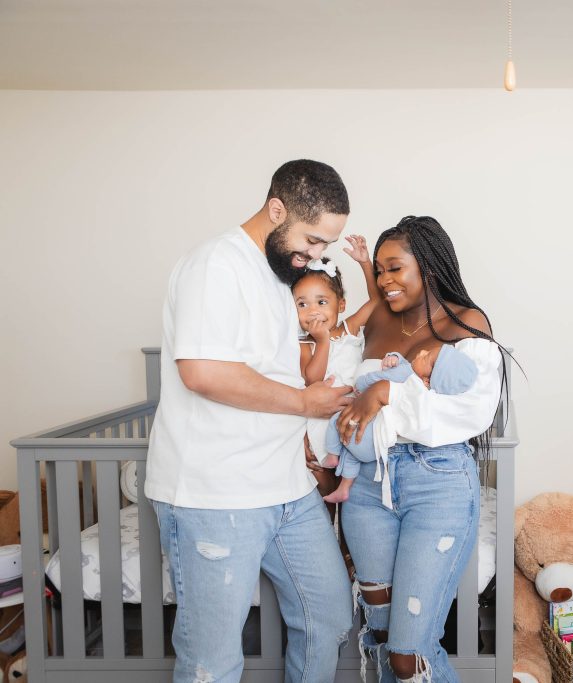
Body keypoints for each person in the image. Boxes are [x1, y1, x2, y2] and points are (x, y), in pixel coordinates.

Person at [146, 159, 356, 683]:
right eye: (311, 240)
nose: (315, 256)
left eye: (325, 247)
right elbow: (203, 372)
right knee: (212, 661)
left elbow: (274, 368)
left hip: (284, 487)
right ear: (276, 209)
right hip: (214, 492)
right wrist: (307, 403)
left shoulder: (277, 275)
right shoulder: (216, 264)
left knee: (327, 616)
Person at [316, 215, 510, 683]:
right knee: (381, 636)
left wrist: (385, 393)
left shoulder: (466, 323)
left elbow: (470, 412)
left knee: (409, 654)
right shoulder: (378, 319)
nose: (384, 280)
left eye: (395, 268)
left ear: (427, 266)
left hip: (437, 483)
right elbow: (344, 382)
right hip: (367, 487)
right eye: (379, 270)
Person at [322, 344, 478, 504]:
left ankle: (333, 454)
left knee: (337, 420)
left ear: (426, 380)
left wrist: (360, 385)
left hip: (366, 436)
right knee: (352, 454)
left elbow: (378, 380)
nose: (422, 351)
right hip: (375, 446)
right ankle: (344, 488)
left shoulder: (409, 373)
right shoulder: (424, 390)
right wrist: (395, 357)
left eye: (426, 357)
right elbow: (402, 370)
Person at [293, 238, 382, 465]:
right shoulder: (304, 345)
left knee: (353, 477)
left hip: (353, 417)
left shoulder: (347, 330)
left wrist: (364, 263)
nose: (312, 311)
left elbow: (376, 300)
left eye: (321, 302)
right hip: (319, 425)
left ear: (341, 305)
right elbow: (313, 380)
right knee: (324, 476)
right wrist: (322, 342)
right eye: (302, 304)